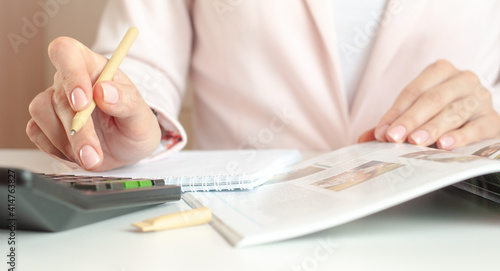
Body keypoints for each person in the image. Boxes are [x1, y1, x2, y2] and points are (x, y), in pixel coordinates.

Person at [26, 0, 500, 171]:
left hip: (450, 225)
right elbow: (140, 60)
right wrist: (121, 117)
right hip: (232, 239)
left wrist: (491, 114)